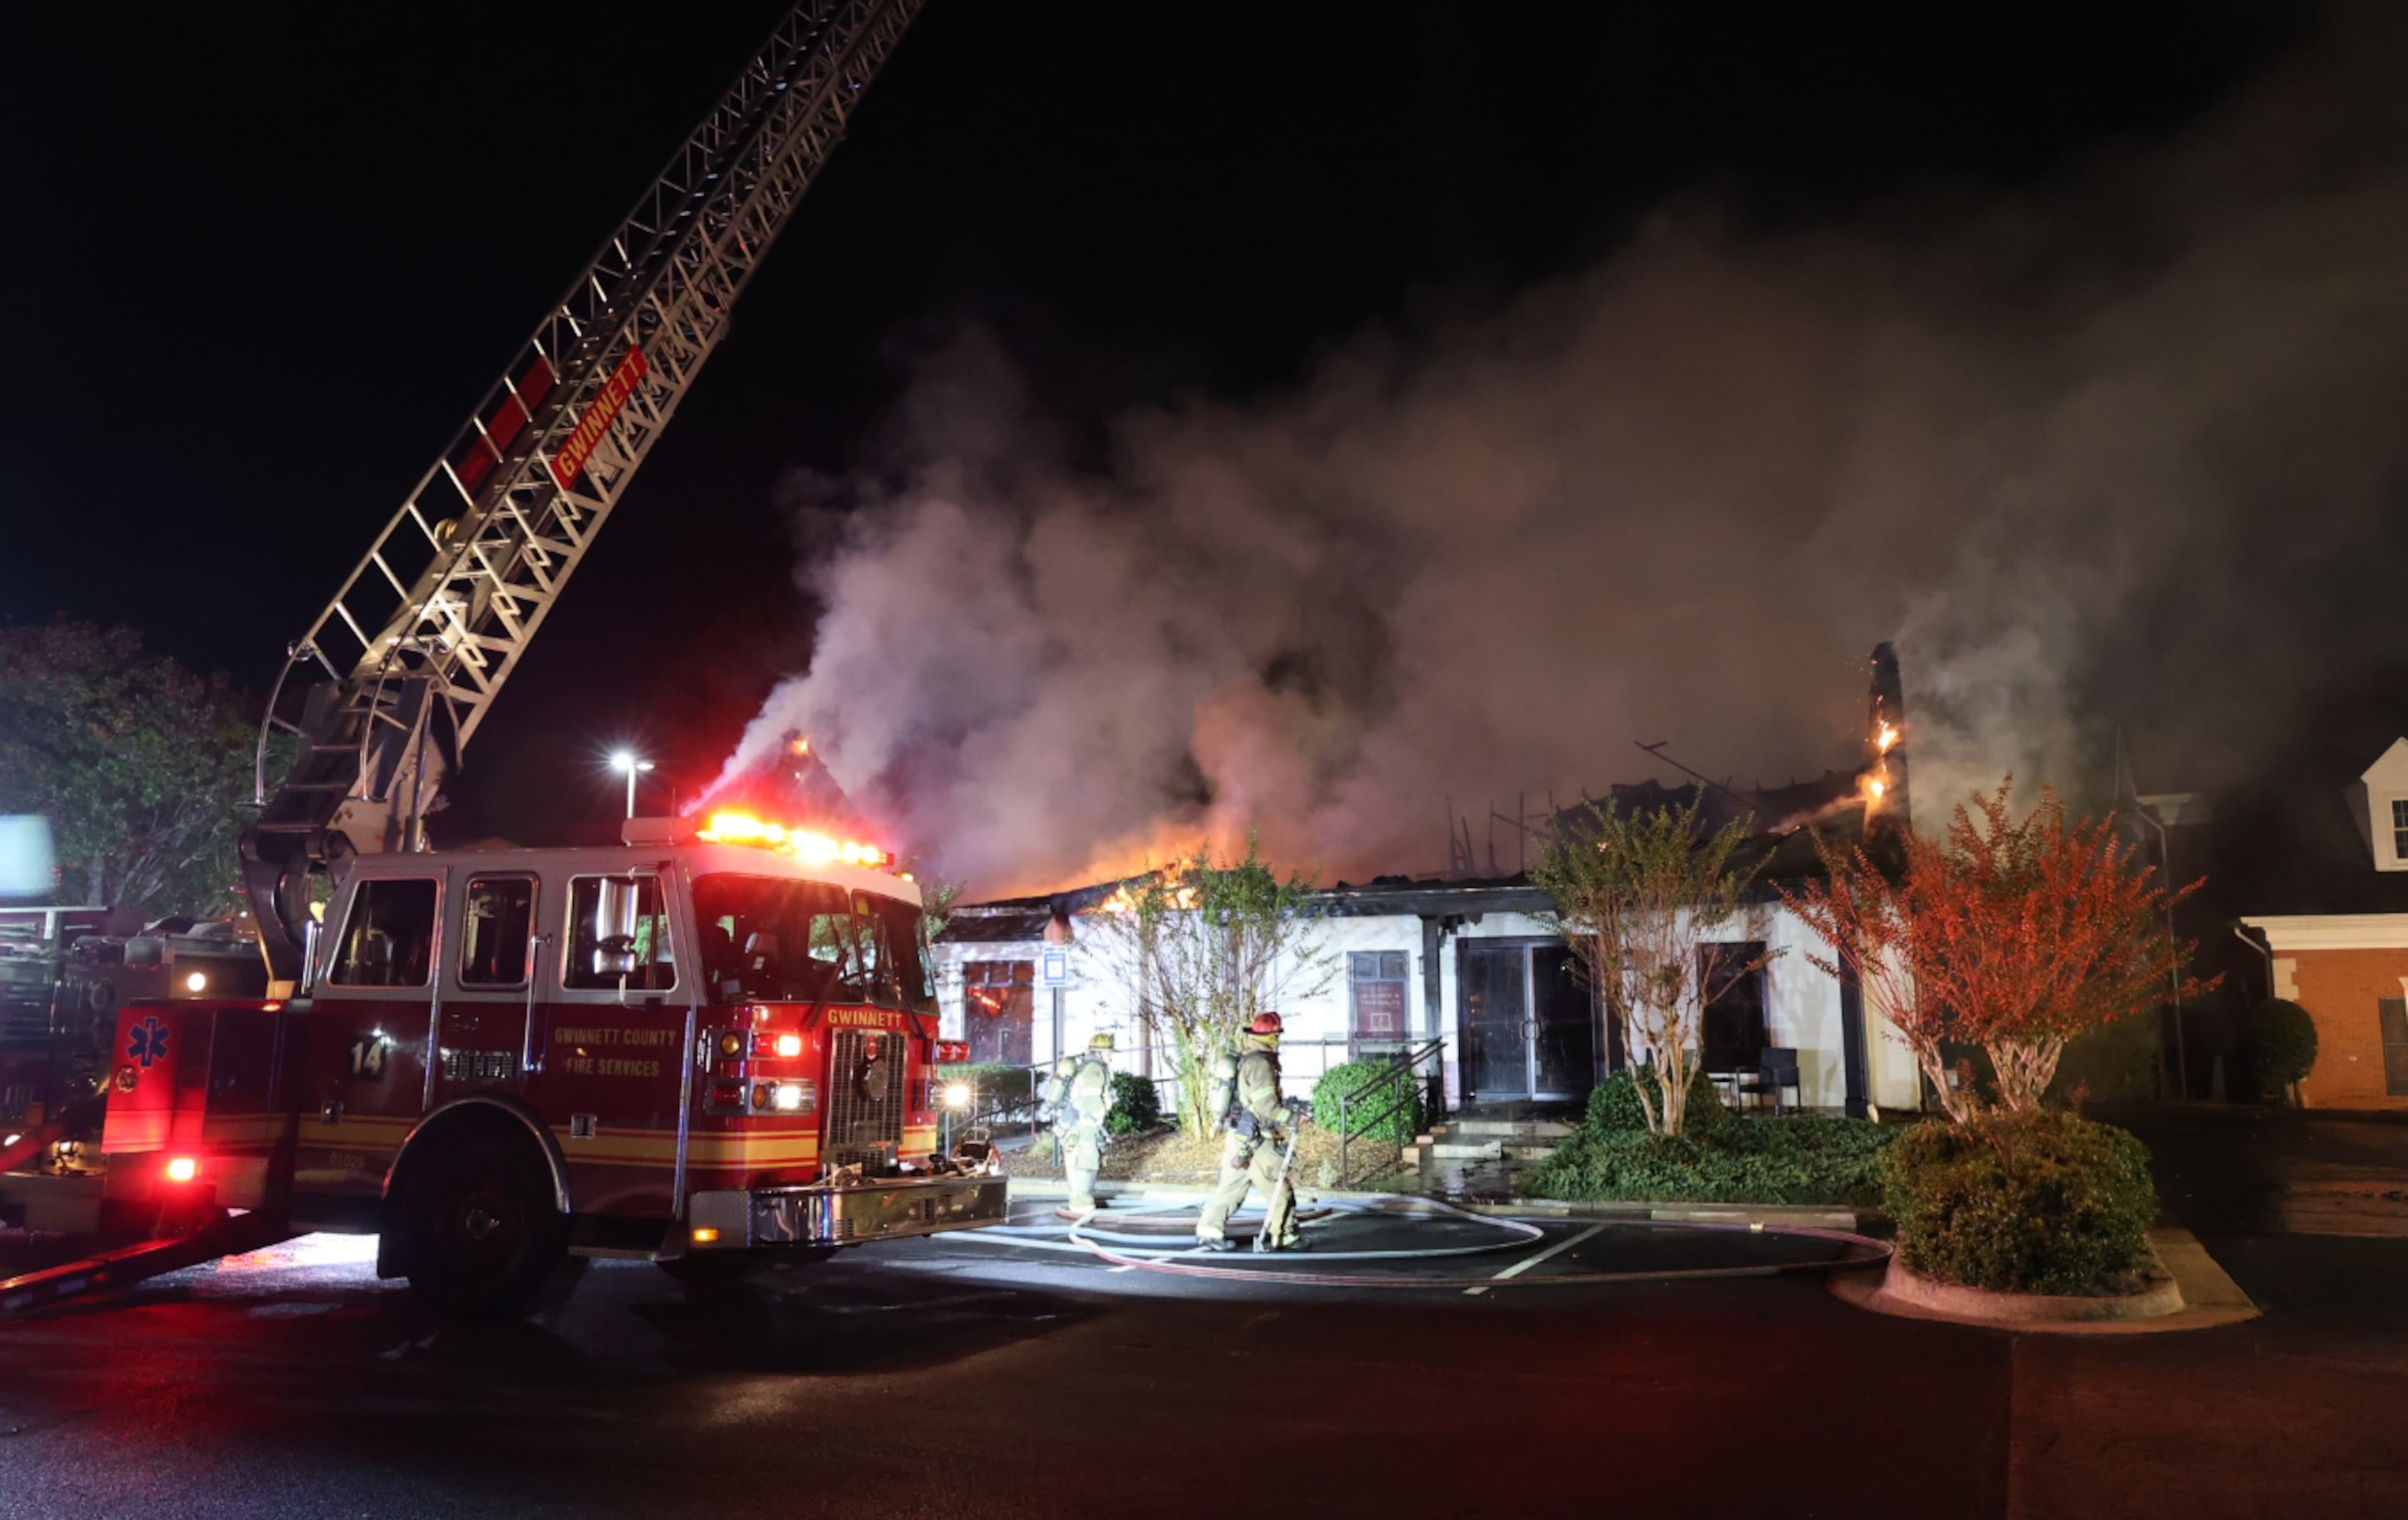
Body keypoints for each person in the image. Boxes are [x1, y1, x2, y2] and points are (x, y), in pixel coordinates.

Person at [1196, 1011, 1304, 1252]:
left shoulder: (1247, 1058)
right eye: (1277, 1035)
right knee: (1278, 1187)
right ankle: (1284, 1235)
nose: (1278, 1039)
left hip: (1239, 1137)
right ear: (1272, 1036)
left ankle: (1209, 1230)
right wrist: (1294, 1118)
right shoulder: (1260, 1064)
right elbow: (1266, 1106)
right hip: (1258, 1139)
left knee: (1231, 1186)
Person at [1038, 1032, 1116, 1213]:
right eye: (1108, 1052)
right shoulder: (1095, 1070)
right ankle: (1082, 1207)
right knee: (1086, 1165)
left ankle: (1078, 1202)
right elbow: (1091, 1102)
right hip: (1084, 1128)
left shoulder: (1085, 1067)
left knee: (1077, 1165)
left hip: (1073, 1127)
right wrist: (1097, 1124)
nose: (1111, 1056)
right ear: (1098, 1053)